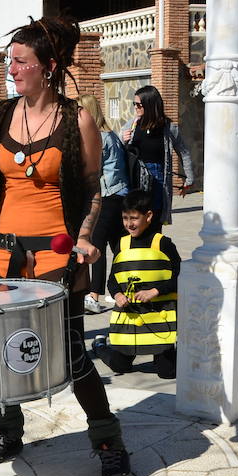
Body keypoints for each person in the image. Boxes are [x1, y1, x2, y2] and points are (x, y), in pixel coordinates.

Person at [0, 16, 134, 476]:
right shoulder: (0, 115)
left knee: (71, 354)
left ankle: (109, 444)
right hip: (0, 254)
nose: (11, 69)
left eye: (20, 61)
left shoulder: (77, 119)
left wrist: (85, 237)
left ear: (48, 66)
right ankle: (8, 431)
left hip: (57, 259)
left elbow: (93, 190)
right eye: (10, 61)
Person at [104, 189, 180, 379]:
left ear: (149, 216)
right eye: (125, 218)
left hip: (159, 317)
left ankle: (173, 353)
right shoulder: (122, 244)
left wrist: (156, 291)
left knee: (167, 373)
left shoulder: (163, 243)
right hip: (130, 315)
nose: (129, 224)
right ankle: (100, 346)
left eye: (134, 218)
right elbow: (113, 279)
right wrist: (117, 295)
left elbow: (181, 276)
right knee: (119, 366)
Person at [78, 94, 127, 314]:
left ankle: (93, 296)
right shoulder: (111, 135)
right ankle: (121, 291)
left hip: (106, 196)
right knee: (118, 247)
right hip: (119, 195)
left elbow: (92, 170)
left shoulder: (99, 137)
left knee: (96, 246)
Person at [122, 85, 195, 223]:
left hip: (158, 179)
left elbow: (184, 153)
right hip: (135, 178)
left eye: (139, 104)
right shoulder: (132, 125)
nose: (135, 107)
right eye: (134, 104)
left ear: (150, 105)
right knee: (136, 219)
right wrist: (123, 140)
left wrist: (189, 180)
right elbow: (121, 151)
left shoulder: (169, 128)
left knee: (155, 218)